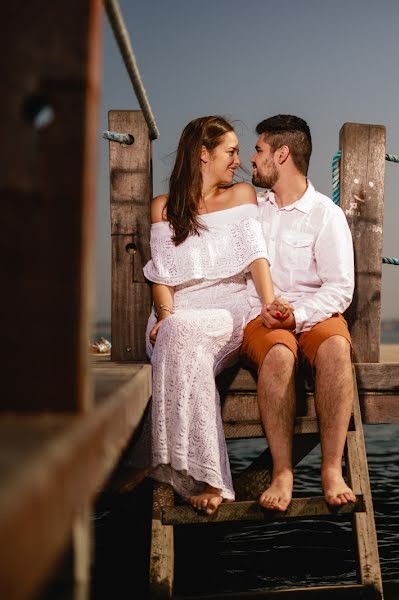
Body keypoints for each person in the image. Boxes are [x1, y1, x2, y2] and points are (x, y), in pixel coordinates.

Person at [130, 115, 277, 515]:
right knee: (178, 334)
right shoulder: (163, 207)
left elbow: (256, 258)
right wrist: (164, 314)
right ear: (202, 153)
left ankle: (173, 466)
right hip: (177, 309)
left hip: (229, 306)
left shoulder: (242, 195)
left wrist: (268, 303)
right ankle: (203, 474)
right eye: (230, 152)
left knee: (184, 336)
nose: (238, 162)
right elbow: (162, 275)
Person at [240, 114, 357, 511]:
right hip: (264, 320)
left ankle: (331, 468)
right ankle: (283, 470)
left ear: (282, 154)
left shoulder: (327, 214)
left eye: (258, 150)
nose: (250, 159)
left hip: (314, 315)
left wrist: (299, 316)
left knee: (338, 349)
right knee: (278, 354)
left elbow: (340, 288)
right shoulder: (251, 210)